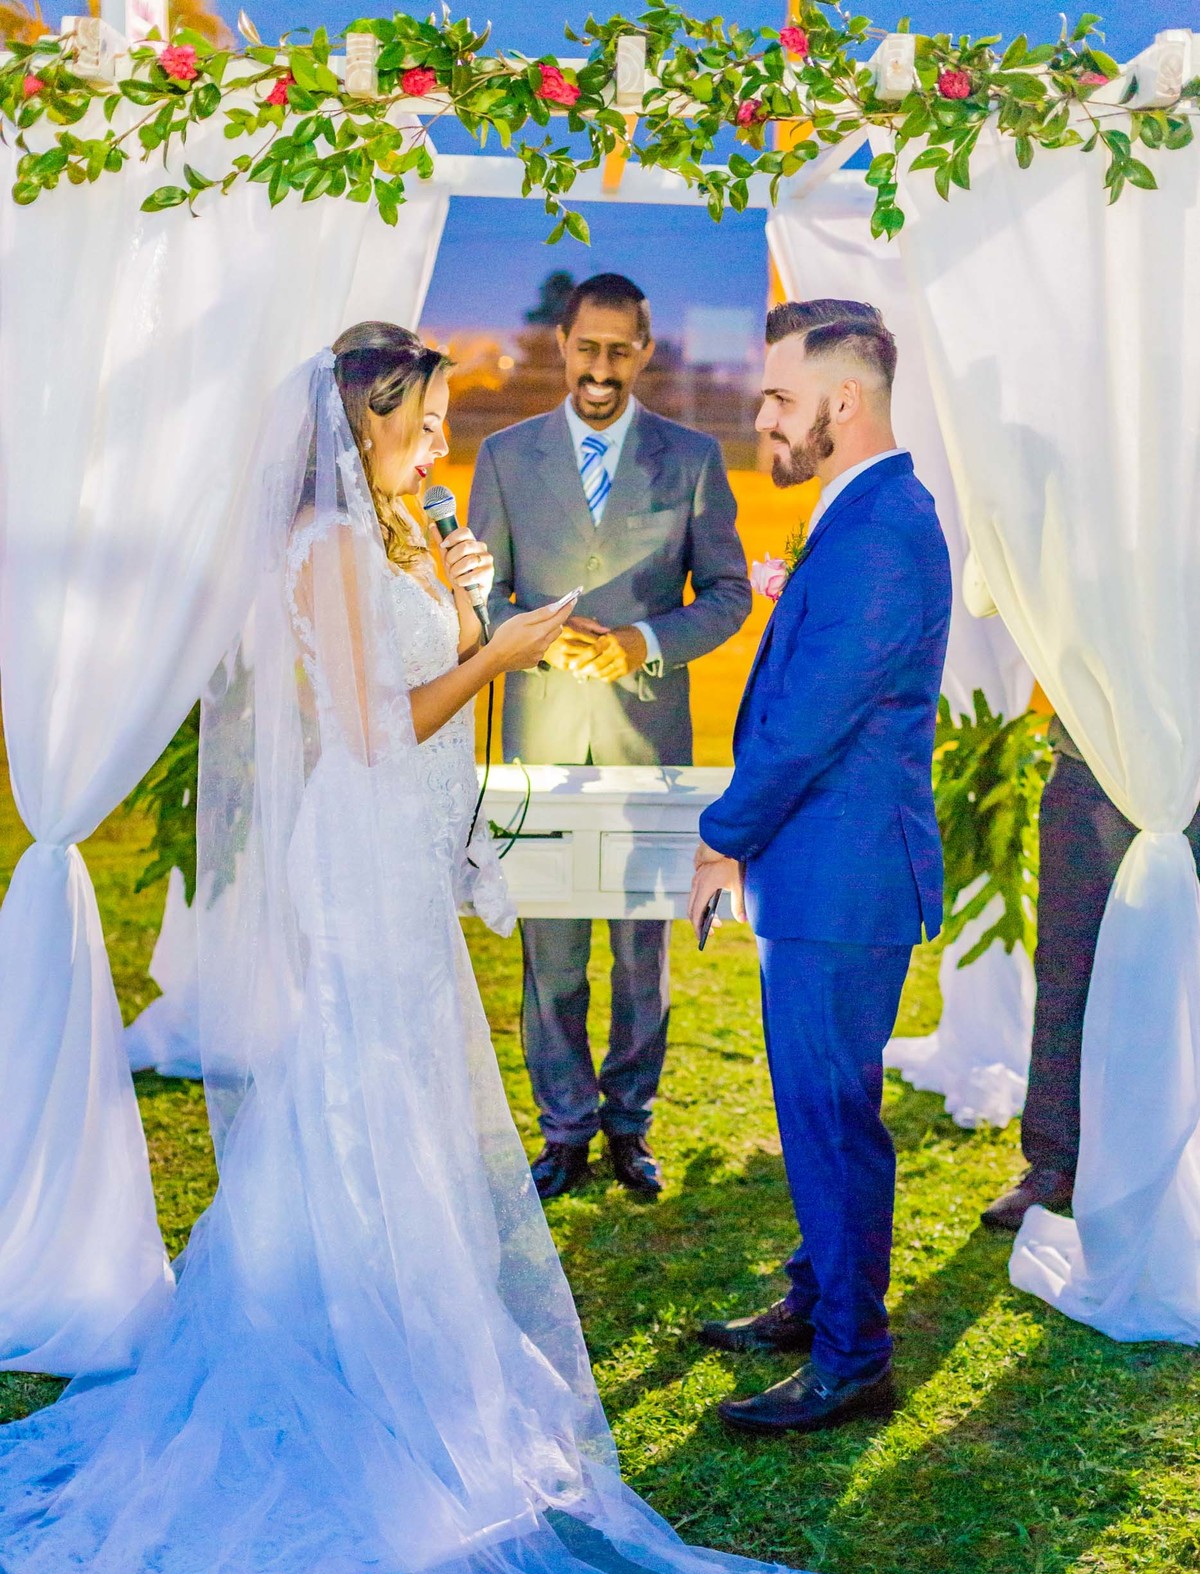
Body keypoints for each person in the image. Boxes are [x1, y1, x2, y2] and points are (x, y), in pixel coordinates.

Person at [0, 324, 1124, 1574]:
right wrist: (505, 646)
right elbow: (372, 724)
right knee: (362, 1086)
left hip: (417, 853)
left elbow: (442, 688)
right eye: (424, 421)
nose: (439, 442)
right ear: (368, 424)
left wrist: (469, 617)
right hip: (364, 845)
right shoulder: (330, 547)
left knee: (406, 1087)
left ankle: (434, 1306)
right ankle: (333, 1321)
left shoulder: (405, 535)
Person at [691, 300, 952, 1437]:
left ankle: (854, 1356)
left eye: (782, 399)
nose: (765, 418)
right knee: (820, 1104)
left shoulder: (887, 528)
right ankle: (817, 1297)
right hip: (828, 869)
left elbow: (809, 721)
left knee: (831, 1115)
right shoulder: (859, 515)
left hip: (845, 883)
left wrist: (721, 832)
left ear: (844, 404)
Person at [469, 273, 751, 1202]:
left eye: (618, 349)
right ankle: (565, 1130)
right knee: (549, 955)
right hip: (538, 745)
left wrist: (645, 641)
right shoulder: (506, 457)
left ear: (644, 349)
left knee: (642, 954)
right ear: (564, 343)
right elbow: (478, 596)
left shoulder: (695, 458)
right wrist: (540, 639)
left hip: (648, 748)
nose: (601, 366)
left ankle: (631, 1126)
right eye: (586, 347)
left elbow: (727, 597)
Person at [981, 716, 1200, 1231]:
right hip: (1093, 766)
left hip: (1192, 777)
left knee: (1182, 986)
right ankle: (1056, 1163)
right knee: (1066, 969)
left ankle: (1171, 1167)